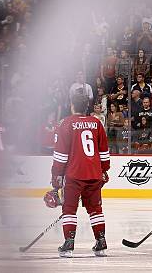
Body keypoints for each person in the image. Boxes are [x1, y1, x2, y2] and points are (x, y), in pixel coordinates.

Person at [45, 94, 110, 258]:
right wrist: (104, 170)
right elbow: (104, 152)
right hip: (94, 174)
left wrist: (56, 177)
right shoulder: (96, 123)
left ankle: (69, 244)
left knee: (69, 209)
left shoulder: (65, 123)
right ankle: (101, 241)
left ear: (72, 105)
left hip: (73, 175)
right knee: (95, 209)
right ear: (87, 106)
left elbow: (60, 156)